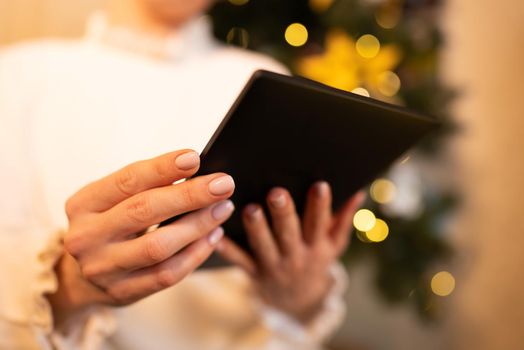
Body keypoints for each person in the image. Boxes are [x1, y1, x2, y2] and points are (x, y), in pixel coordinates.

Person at [0, 0, 363, 349]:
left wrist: (300, 300)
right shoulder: (18, 76)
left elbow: (298, 322)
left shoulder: (263, 78)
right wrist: (67, 287)